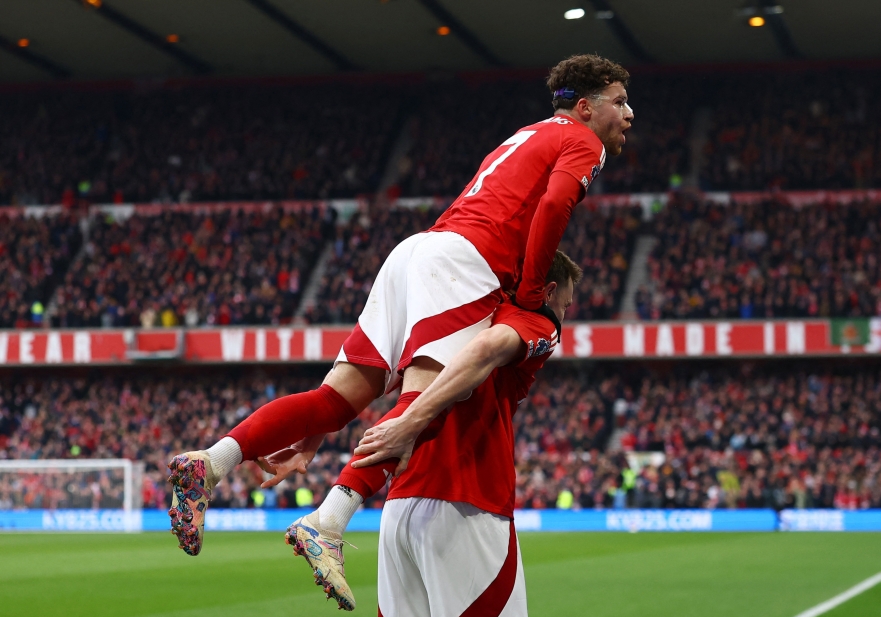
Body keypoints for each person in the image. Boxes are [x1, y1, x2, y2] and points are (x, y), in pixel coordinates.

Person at [166, 54, 633, 559]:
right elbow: (554, 204)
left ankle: (212, 461)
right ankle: (328, 522)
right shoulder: (583, 140)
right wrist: (530, 292)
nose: (629, 114)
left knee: (333, 402)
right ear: (585, 108)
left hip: (416, 252)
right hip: (463, 263)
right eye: (620, 101)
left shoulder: (527, 134)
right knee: (425, 402)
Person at [279, 252, 580, 617]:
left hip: (400, 505)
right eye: (566, 303)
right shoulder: (536, 323)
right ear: (547, 291)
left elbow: (362, 375)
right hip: (467, 501)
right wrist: (412, 421)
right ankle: (327, 519)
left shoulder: (438, 315)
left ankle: (330, 515)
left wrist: (316, 428)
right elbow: (487, 348)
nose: (564, 314)